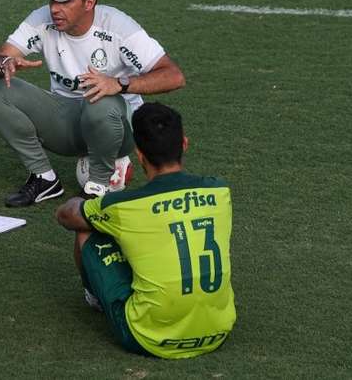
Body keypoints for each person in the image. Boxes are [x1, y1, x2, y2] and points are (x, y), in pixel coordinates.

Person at [0, 0, 185, 207]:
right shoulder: (41, 20)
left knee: (101, 98)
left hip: (120, 125)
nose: (55, 9)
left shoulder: (117, 26)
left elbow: (174, 76)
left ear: (89, 3)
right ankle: (44, 178)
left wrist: (119, 83)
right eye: (51, 0)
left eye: (65, 2)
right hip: (67, 119)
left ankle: (97, 186)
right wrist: (5, 63)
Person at [55, 102, 235, 359]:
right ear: (184, 144)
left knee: (88, 230)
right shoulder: (220, 190)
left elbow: (66, 216)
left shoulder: (125, 205)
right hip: (218, 329)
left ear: (139, 155)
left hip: (146, 336)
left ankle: (96, 299)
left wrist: (88, 200)